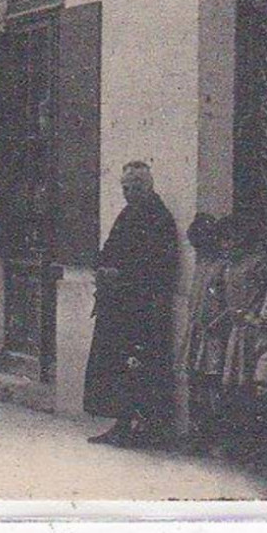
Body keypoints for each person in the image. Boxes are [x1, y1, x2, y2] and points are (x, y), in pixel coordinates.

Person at [84, 161, 180, 448]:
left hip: (142, 306)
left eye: (133, 187)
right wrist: (102, 268)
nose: (127, 192)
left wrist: (122, 274)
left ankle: (144, 427)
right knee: (117, 367)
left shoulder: (159, 218)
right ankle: (123, 423)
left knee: (138, 365)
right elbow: (110, 249)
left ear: (148, 186)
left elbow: (159, 265)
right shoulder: (127, 214)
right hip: (120, 303)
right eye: (125, 187)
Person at [219, 216, 267, 462]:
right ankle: (237, 441)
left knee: (250, 386)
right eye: (223, 240)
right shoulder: (228, 266)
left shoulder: (258, 265)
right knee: (232, 387)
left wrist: (251, 315)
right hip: (236, 331)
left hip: (252, 332)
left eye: (232, 240)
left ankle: (253, 444)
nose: (227, 245)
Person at [179, 212, 229, 452]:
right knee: (195, 383)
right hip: (197, 332)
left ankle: (214, 437)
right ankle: (197, 434)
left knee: (212, 384)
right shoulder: (200, 265)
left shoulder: (222, 267)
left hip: (214, 335)